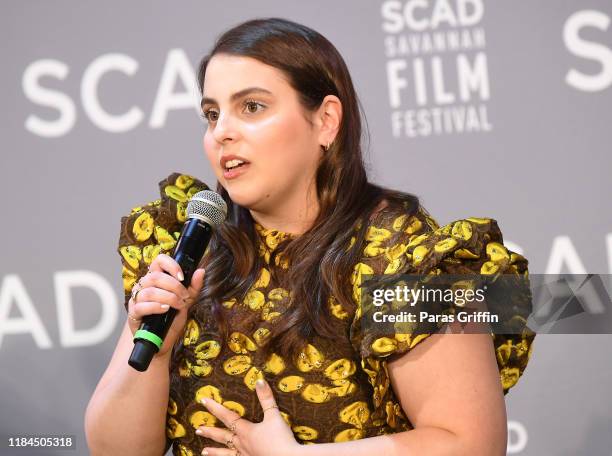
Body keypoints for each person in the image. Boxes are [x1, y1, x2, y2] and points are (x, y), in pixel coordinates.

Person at [85, 17, 535, 456]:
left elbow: (470, 443)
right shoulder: (190, 249)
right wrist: (157, 354)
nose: (222, 131)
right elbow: (115, 449)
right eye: (211, 113)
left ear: (325, 121)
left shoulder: (403, 254)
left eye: (252, 107)